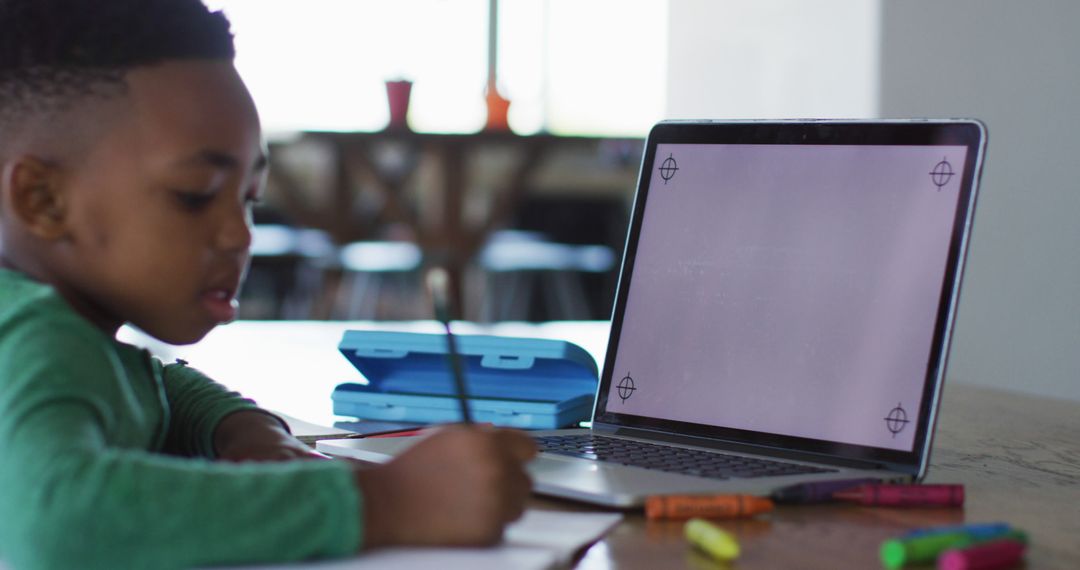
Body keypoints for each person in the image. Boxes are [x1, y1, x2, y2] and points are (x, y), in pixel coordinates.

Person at [0, 1, 536, 569]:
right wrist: (388, 502)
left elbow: (145, 382)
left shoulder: (56, 332)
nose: (238, 235)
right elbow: (56, 521)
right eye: (196, 194)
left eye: (249, 200)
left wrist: (243, 428)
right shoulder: (35, 339)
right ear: (44, 199)